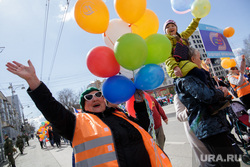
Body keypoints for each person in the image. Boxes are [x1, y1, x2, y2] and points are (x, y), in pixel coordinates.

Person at [6, 60, 172, 167]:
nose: (95, 98)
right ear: (84, 105)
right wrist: (34, 82)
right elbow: (53, 110)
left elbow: (143, 128)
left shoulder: (119, 115)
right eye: (89, 97)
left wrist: (140, 103)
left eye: (98, 94)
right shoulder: (77, 123)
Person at [174, 47, 240, 166]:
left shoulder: (195, 77)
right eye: (199, 58)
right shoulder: (187, 79)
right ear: (193, 59)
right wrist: (221, 93)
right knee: (230, 164)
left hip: (214, 126)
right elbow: (206, 96)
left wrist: (218, 91)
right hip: (209, 128)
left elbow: (207, 94)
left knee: (228, 162)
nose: (201, 60)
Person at [174, 94, 211, 167]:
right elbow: (179, 116)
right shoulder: (178, 96)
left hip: (211, 126)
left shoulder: (201, 89)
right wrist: (188, 111)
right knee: (206, 159)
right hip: (195, 131)